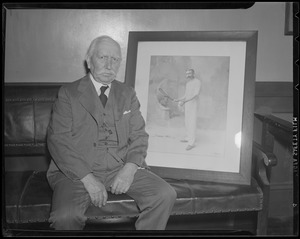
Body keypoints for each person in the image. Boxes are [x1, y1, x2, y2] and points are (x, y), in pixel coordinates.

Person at [46, 35, 177, 230]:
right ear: (89, 62)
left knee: (165, 194)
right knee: (66, 216)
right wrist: (89, 180)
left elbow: (139, 136)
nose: (109, 65)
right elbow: (59, 141)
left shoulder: (128, 93)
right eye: (102, 58)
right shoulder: (68, 93)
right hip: (77, 172)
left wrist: (130, 168)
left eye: (115, 59)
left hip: (120, 166)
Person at [174, 69, 201, 150]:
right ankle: (188, 137)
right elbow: (185, 95)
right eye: (187, 73)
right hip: (187, 105)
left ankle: (191, 143)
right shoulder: (188, 83)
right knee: (187, 121)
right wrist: (178, 99)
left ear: (193, 73)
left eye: (189, 73)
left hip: (193, 105)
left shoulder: (197, 82)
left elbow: (195, 95)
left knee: (192, 122)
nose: (188, 75)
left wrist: (184, 101)